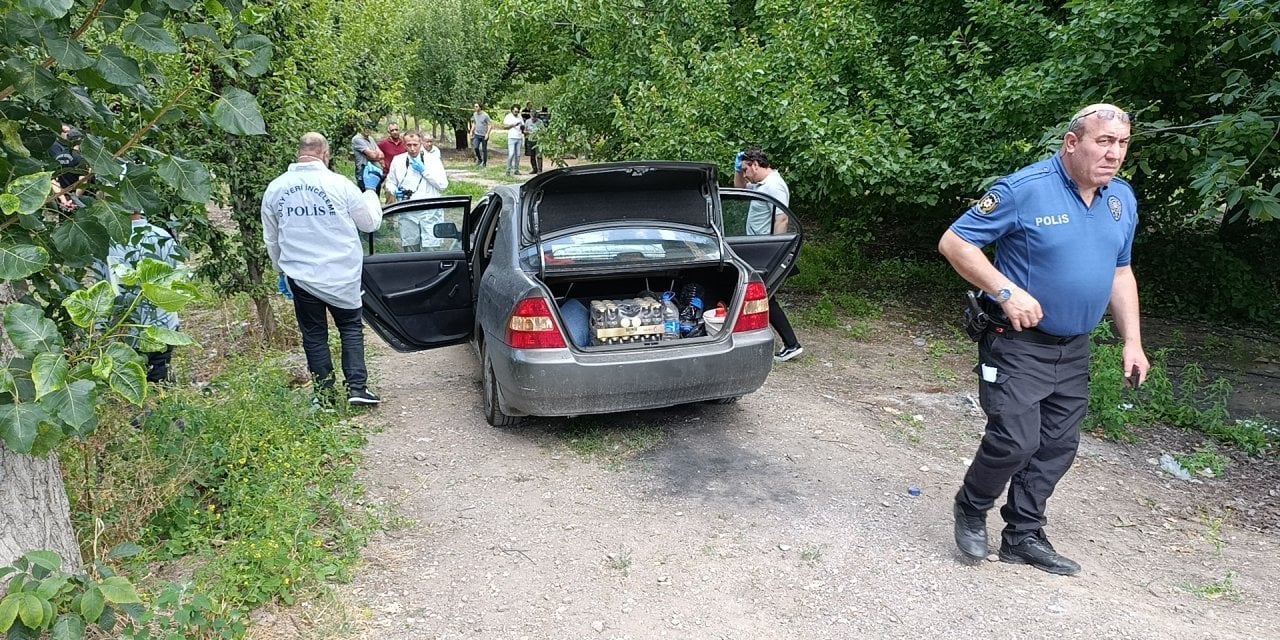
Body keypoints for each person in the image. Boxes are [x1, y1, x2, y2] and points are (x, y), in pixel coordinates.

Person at [939, 103, 1149, 576]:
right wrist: (1006, 291)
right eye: (1104, 142)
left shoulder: (1121, 200)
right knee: (1015, 439)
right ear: (1072, 143)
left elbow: (1121, 272)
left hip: (1074, 347)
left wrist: (1132, 341)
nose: (1114, 154)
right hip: (1016, 341)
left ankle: (1023, 535)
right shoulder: (1025, 190)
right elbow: (955, 243)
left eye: (1122, 144)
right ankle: (972, 508)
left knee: (1057, 445)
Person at [261, 132, 385, 406]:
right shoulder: (339, 185)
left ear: (299, 153)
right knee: (350, 327)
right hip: (342, 274)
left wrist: (280, 271)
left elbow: (271, 237)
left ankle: (324, 396)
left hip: (301, 276)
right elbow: (370, 223)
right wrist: (371, 191)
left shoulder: (276, 188)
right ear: (326, 154)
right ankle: (357, 388)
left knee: (314, 335)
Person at [97, 212, 186, 384]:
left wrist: (104, 326)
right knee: (160, 374)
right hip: (165, 322)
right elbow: (179, 277)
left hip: (131, 328)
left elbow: (108, 288)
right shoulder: (162, 235)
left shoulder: (111, 243)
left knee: (136, 381)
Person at [733, 147, 802, 362]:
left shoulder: (775, 186)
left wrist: (777, 251)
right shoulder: (760, 184)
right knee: (764, 296)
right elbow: (740, 188)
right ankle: (785, 343)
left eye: (745, 169)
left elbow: (781, 220)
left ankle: (792, 344)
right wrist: (737, 169)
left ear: (755, 164)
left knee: (766, 297)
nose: (744, 174)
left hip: (767, 250)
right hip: (756, 247)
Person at [384, 132, 448, 251]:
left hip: (429, 211)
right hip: (407, 210)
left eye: (415, 144)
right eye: (409, 145)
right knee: (411, 251)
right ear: (404, 144)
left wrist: (425, 172)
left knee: (431, 250)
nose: (412, 149)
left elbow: (443, 185)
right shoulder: (398, 161)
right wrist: (394, 190)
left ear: (421, 144)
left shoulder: (433, 160)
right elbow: (390, 182)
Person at [49, 126, 87, 211]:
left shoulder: (57, 156)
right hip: (80, 199)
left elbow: (53, 180)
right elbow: (83, 181)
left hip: (62, 198)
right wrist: (74, 199)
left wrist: (63, 200)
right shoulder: (80, 158)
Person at [351, 124, 384, 192]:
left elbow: (382, 155)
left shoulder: (370, 138)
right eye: (365, 127)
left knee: (376, 197)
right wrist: (374, 155)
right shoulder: (357, 139)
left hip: (375, 172)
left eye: (369, 127)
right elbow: (373, 155)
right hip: (364, 173)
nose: (367, 129)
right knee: (366, 196)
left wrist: (373, 155)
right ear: (360, 127)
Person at [502, 104, 525, 176]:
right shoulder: (508, 117)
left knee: (518, 155)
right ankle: (508, 170)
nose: (516, 113)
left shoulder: (520, 116)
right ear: (512, 110)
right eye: (515, 111)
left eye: (518, 111)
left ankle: (516, 170)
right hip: (511, 137)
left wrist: (522, 128)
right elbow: (504, 127)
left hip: (519, 137)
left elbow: (522, 125)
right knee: (511, 154)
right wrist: (513, 125)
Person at [469, 103, 492, 167]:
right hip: (477, 134)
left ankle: (484, 163)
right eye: (474, 106)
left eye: (476, 106)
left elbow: (490, 125)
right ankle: (479, 159)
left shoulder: (485, 115)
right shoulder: (474, 114)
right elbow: (474, 123)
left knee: (484, 150)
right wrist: (471, 131)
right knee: (476, 147)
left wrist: (487, 134)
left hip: (484, 135)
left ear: (480, 107)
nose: (475, 108)